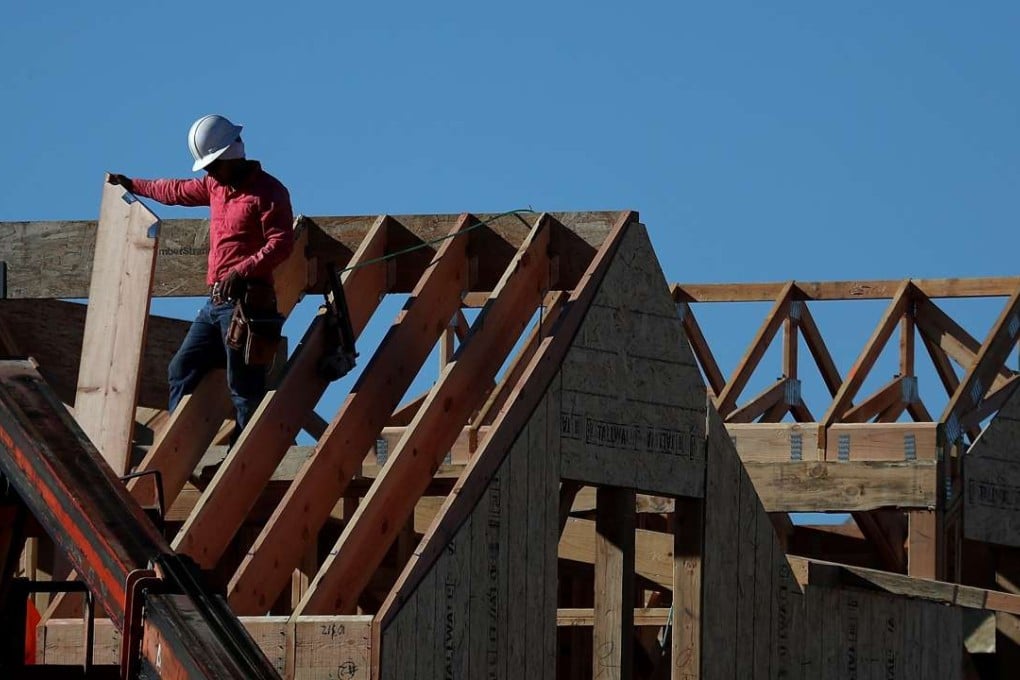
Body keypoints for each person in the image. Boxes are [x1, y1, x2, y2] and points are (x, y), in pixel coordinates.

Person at [108, 114, 294, 441]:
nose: (208, 171)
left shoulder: (269, 192)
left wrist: (241, 271)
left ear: (230, 156)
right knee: (181, 369)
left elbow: (281, 243)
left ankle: (246, 455)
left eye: (212, 165)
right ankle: (182, 444)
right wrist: (133, 184)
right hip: (216, 305)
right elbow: (176, 190)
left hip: (248, 305)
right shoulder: (215, 186)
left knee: (243, 388)